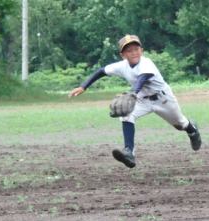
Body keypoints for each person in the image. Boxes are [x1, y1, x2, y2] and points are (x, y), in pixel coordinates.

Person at [69, 34, 201, 168]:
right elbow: (101, 71)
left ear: (141, 50)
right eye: (129, 50)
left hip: (163, 99)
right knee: (126, 114)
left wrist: (132, 93)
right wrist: (83, 86)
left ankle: (192, 130)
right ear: (123, 55)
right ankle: (129, 152)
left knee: (180, 124)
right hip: (142, 100)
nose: (133, 53)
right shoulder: (122, 66)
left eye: (136, 49)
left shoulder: (146, 63)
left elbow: (142, 79)